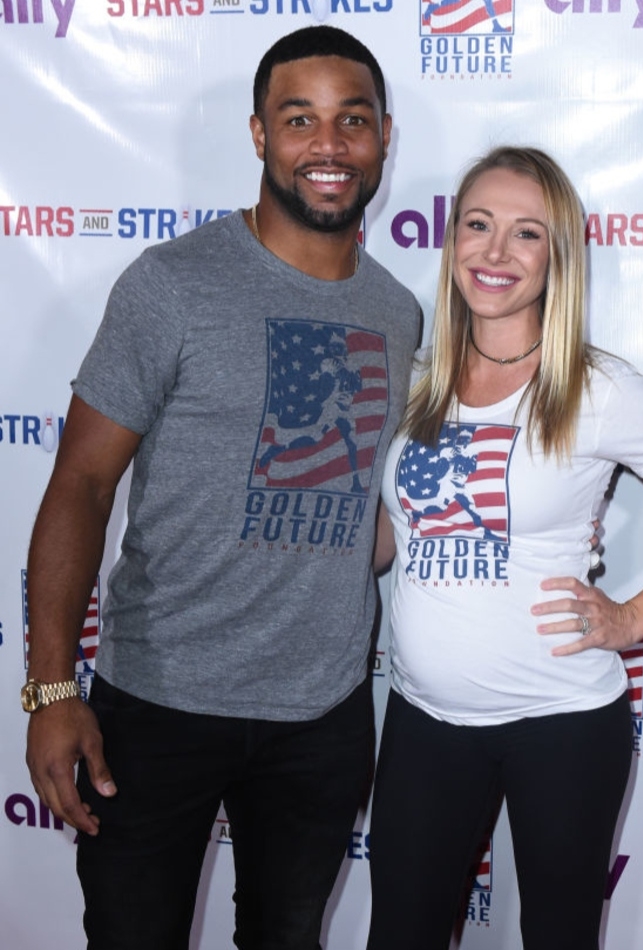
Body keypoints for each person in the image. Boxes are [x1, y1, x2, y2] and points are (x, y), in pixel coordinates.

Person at [22, 25, 420, 950]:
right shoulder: (172, 286)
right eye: (300, 118)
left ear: (384, 138)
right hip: (158, 705)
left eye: (351, 119)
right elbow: (80, 482)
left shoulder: (398, 312)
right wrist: (50, 689)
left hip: (321, 719)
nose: (328, 145)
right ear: (258, 135)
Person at [366, 146, 643, 950]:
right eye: (477, 225)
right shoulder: (412, 380)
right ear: (451, 245)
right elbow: (393, 536)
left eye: (527, 235)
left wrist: (635, 616)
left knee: (559, 937)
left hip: (563, 723)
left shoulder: (597, 389)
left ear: (558, 261)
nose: (495, 252)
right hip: (422, 718)